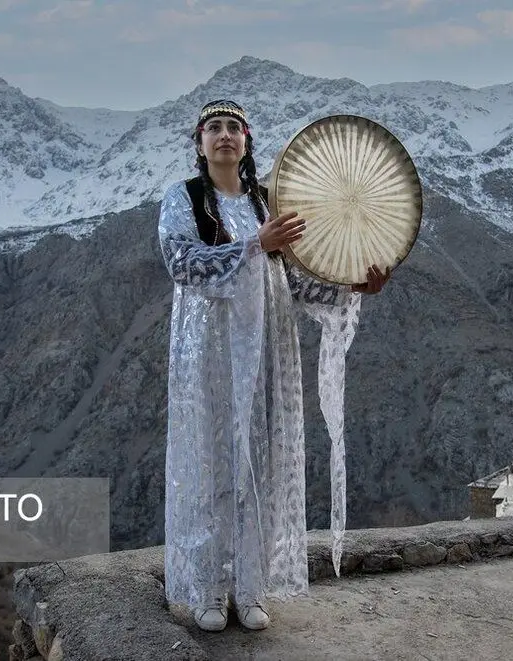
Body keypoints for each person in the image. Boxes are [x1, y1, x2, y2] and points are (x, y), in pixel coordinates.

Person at [158, 99, 390, 633]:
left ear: (246, 141)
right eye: (214, 128)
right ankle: (209, 589)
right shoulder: (184, 198)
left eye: (233, 128)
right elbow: (182, 263)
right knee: (214, 464)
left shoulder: (268, 202)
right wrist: (252, 246)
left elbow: (295, 281)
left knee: (259, 467)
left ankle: (250, 587)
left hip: (266, 348)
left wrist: (353, 285)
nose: (224, 135)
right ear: (200, 143)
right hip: (210, 353)